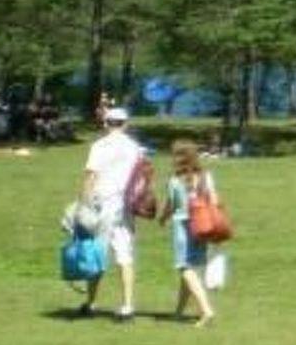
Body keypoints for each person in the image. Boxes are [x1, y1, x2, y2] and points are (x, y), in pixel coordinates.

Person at [77, 106, 144, 320]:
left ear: (106, 123)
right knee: (125, 255)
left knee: (97, 253)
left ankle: (91, 302)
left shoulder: (99, 146)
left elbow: (91, 176)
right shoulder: (135, 148)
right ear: (125, 124)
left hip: (102, 203)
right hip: (125, 205)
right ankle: (127, 305)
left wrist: (83, 204)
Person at [156, 140, 218, 326]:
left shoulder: (175, 180)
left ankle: (206, 310)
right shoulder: (206, 176)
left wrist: (162, 218)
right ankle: (179, 312)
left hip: (183, 226)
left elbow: (171, 205)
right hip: (202, 226)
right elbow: (214, 201)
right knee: (190, 268)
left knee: (185, 268)